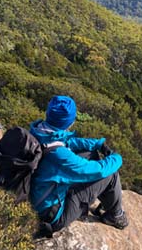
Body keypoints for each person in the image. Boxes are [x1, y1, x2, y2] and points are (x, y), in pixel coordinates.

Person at [30, 95, 128, 238]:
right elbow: (98, 171)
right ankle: (115, 216)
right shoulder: (59, 156)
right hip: (51, 215)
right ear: (69, 121)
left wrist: (96, 144)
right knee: (111, 174)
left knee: (89, 153)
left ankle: (106, 200)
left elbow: (66, 142)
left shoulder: (38, 130)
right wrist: (117, 158)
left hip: (37, 194)